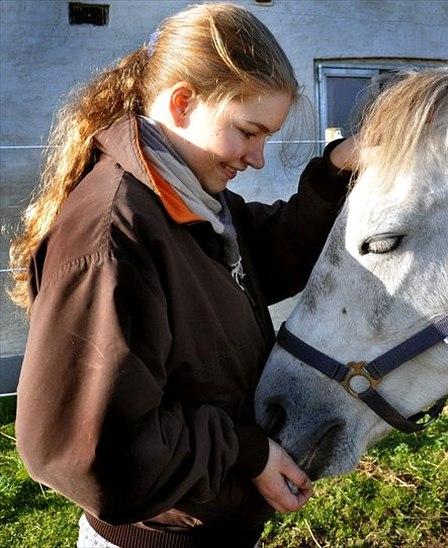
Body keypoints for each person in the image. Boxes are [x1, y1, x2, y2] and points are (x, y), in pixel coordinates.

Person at [8, 3, 356, 547]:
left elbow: (269, 253)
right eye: (248, 132)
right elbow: (91, 449)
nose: (258, 158)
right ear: (183, 103)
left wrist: (337, 172)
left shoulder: (193, 204)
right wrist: (249, 451)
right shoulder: (116, 234)